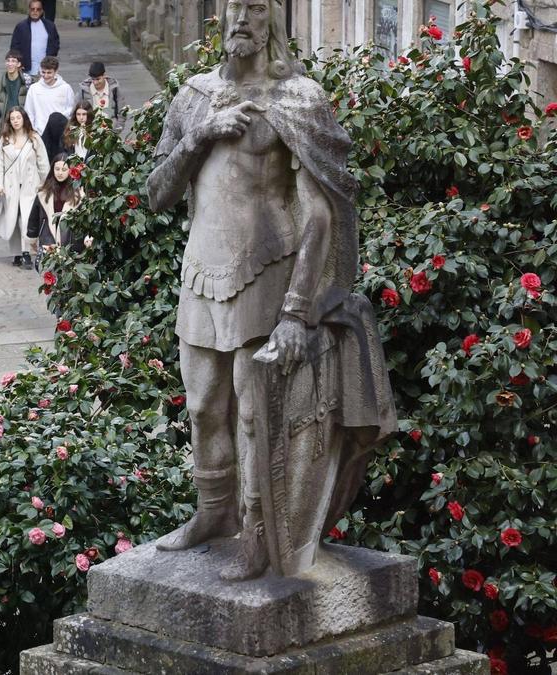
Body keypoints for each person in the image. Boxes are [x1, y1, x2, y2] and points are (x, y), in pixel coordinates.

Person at [145, 0, 396, 581]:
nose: (242, 19)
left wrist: (297, 311)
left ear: (271, 21)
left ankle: (259, 532)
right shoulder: (194, 97)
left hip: (268, 269)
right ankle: (214, 512)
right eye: (234, 7)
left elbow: (319, 214)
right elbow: (157, 192)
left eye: (255, 8)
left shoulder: (298, 98)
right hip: (201, 271)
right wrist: (198, 137)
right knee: (205, 405)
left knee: (255, 412)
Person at [0, 107, 49, 268]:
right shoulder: (4, 140)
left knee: (26, 220)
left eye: (18, 117)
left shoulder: (34, 138)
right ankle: (16, 253)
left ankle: (27, 252)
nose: (16, 121)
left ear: (24, 118)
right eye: (13, 118)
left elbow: (43, 163)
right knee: (12, 219)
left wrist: (45, 184)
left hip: (31, 186)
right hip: (10, 186)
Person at [26, 153, 87, 262]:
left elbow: (86, 220)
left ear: (70, 171)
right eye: (57, 169)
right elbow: (34, 217)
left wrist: (87, 237)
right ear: (52, 169)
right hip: (48, 239)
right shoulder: (43, 193)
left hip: (71, 243)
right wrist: (32, 237)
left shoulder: (79, 195)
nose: (60, 173)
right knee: (50, 273)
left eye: (64, 170)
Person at [24, 56, 77, 136]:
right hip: (39, 133)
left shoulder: (66, 88)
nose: (45, 76)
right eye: (43, 72)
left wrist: (59, 123)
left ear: (56, 72)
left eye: (49, 73)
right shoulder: (34, 89)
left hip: (60, 132)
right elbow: (29, 112)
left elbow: (70, 110)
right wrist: (32, 130)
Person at [9, 0, 60, 76]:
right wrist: (19, 64)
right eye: (33, 9)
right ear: (29, 10)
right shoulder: (21, 27)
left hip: (45, 70)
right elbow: (14, 47)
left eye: (38, 9)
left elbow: (55, 44)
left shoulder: (50, 26)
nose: (35, 11)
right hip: (26, 70)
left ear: (42, 11)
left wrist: (50, 60)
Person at [80, 62, 126, 127]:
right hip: (90, 133)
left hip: (110, 132)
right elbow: (74, 112)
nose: (95, 82)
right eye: (93, 79)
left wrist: (117, 128)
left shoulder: (115, 89)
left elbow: (122, 111)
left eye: (98, 79)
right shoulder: (83, 91)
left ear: (104, 75)